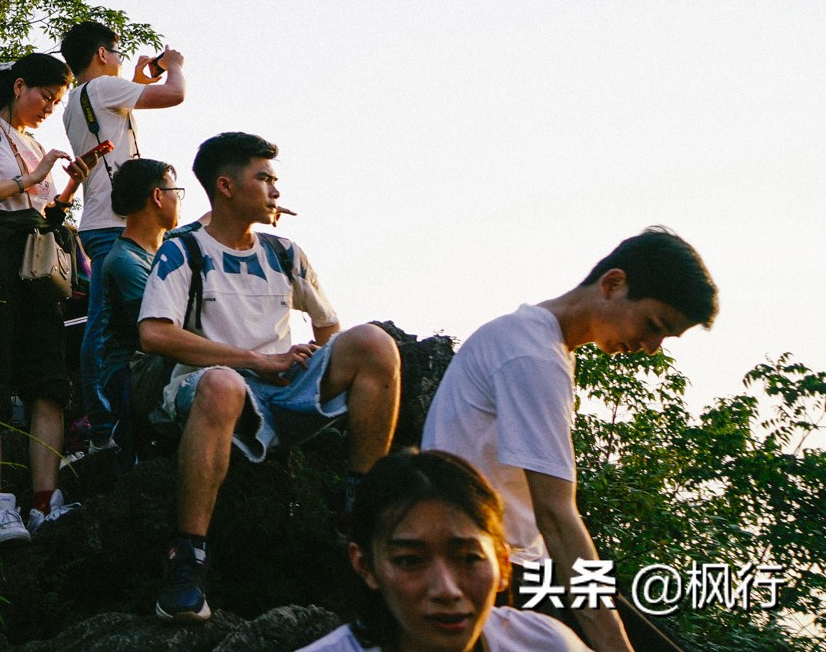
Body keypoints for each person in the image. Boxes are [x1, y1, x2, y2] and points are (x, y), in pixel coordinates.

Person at [139, 131, 403, 623]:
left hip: (281, 387)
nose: (275, 190)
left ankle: (362, 510)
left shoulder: (284, 252)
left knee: (374, 343)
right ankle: (187, 561)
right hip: (210, 387)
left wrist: (307, 359)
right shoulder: (183, 250)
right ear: (226, 186)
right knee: (223, 384)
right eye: (264, 178)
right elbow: (154, 334)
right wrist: (255, 361)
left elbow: (327, 326)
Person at [422, 228, 716, 652]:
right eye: (655, 325)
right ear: (613, 284)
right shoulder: (532, 355)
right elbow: (557, 514)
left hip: (519, 565)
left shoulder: (536, 342)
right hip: (491, 572)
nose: (652, 347)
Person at [0, 52, 91, 544]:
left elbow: (43, 209)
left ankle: (43, 502)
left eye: (57, 101)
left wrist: (70, 184)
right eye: (45, 96)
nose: (50, 107)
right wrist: (32, 177)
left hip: (37, 266)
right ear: (19, 86)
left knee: (48, 380)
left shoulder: (33, 143)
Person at [297, 448, 584, 652]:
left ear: (503, 564)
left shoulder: (546, 644)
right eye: (410, 561)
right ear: (365, 566)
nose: (446, 590)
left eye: (469, 558)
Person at [58, 21, 187, 418]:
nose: (119, 60)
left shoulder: (77, 101)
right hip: (118, 222)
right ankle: (103, 418)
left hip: (97, 219)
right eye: (116, 53)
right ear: (101, 54)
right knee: (107, 324)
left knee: (105, 321)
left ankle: (104, 414)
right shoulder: (103, 89)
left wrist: (135, 79)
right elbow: (174, 95)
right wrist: (176, 64)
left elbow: (118, 116)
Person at [88, 157, 184, 461]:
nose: (178, 200)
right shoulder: (125, 262)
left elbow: (205, 224)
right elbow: (158, 335)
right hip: (132, 374)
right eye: (175, 192)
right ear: (157, 197)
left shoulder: (166, 245)